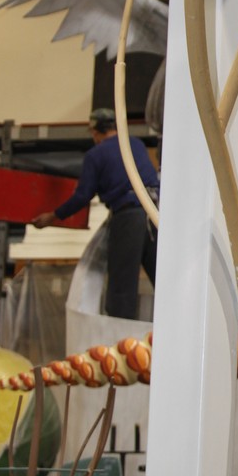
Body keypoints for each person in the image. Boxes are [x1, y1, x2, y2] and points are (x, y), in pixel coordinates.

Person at [33, 108, 160, 319]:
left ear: (95, 132)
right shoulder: (136, 144)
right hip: (154, 214)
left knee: (121, 290)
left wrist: (53, 216)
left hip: (128, 216)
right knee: (162, 279)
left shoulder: (96, 155)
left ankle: (120, 337)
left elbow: (83, 195)